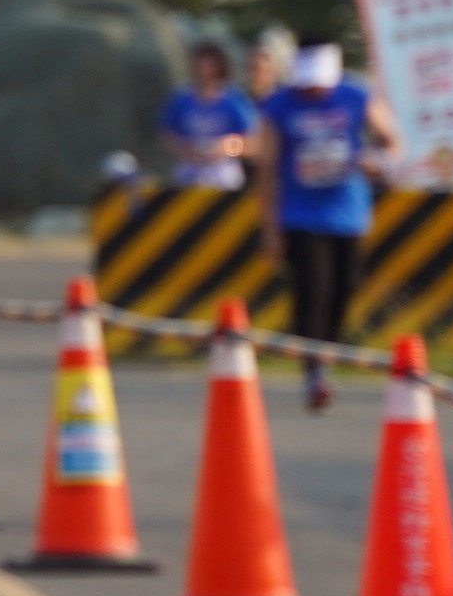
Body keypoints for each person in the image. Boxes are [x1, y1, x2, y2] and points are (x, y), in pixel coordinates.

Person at [255, 36, 399, 413]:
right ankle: (314, 370)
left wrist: (375, 160)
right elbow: (266, 169)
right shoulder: (280, 105)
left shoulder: (357, 96)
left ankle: (328, 356)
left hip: (347, 212)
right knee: (312, 290)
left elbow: (391, 141)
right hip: (300, 214)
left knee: (343, 288)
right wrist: (270, 230)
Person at [159, 42, 253, 192]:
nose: (204, 70)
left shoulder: (234, 100)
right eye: (200, 64)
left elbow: (254, 141)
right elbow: (167, 134)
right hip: (190, 169)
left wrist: (226, 148)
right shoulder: (182, 99)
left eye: (209, 65)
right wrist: (185, 150)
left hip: (223, 171)